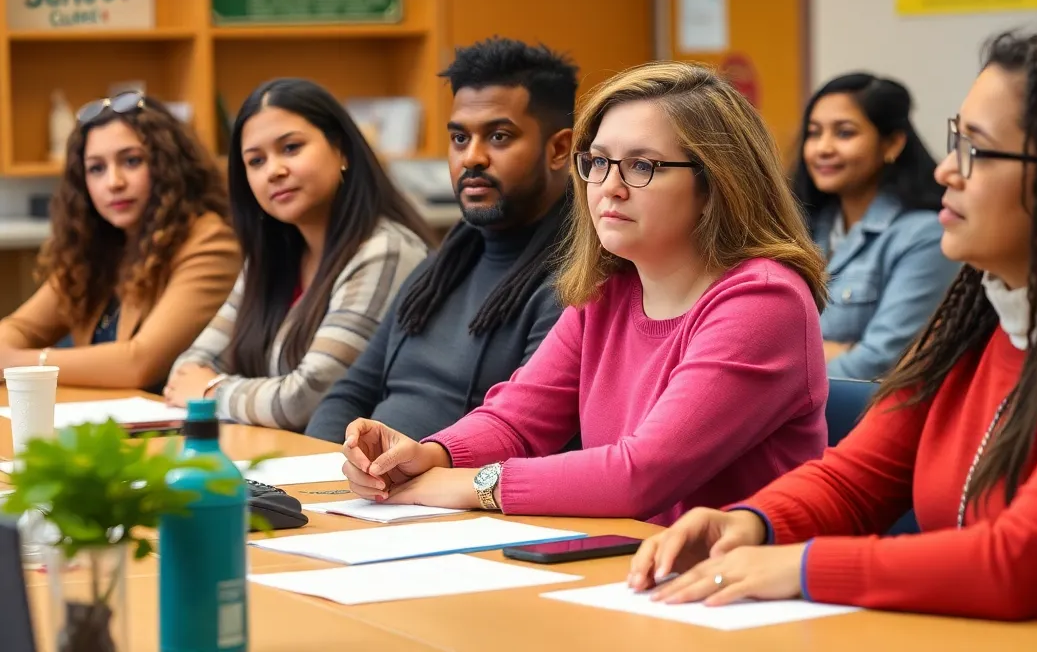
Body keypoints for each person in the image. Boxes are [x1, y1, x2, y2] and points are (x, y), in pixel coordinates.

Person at [628, 29, 1037, 652]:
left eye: (976, 151)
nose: (944, 170)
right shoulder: (984, 309)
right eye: (955, 139)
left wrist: (799, 569)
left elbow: (1018, 562)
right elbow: (856, 479)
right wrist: (751, 524)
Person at [339, 61, 831, 526]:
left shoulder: (764, 301)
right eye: (598, 162)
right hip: (626, 571)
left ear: (715, 185)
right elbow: (516, 423)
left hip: (737, 592)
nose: (608, 187)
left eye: (642, 166)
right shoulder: (609, 291)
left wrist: (465, 484)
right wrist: (426, 456)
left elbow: (639, 475)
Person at [306, 38, 576, 443]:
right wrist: (325, 472)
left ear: (559, 149)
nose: (472, 158)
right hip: (373, 493)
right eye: (459, 138)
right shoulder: (444, 263)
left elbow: (520, 434)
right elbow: (350, 393)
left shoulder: (573, 280)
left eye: (499, 137)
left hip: (459, 494)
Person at [164, 78, 432, 431]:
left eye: (291, 148)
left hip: (351, 473)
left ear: (342, 150)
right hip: (277, 458)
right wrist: (206, 386)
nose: (274, 171)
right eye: (256, 161)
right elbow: (187, 370)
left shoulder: (386, 252)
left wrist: (212, 391)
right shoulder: (271, 257)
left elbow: (308, 399)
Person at [0, 92, 240, 390]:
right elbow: (19, 328)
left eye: (131, 161)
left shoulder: (210, 242)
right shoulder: (96, 245)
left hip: (180, 429)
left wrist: (18, 363)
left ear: (169, 166)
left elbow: (137, 364)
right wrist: (9, 353)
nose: (113, 182)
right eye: (96, 168)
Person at [793, 73, 957, 381]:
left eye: (844, 133)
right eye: (814, 134)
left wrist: (787, 375)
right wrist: (835, 350)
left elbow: (881, 361)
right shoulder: (805, 226)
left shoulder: (925, 236)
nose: (823, 148)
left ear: (892, 143)